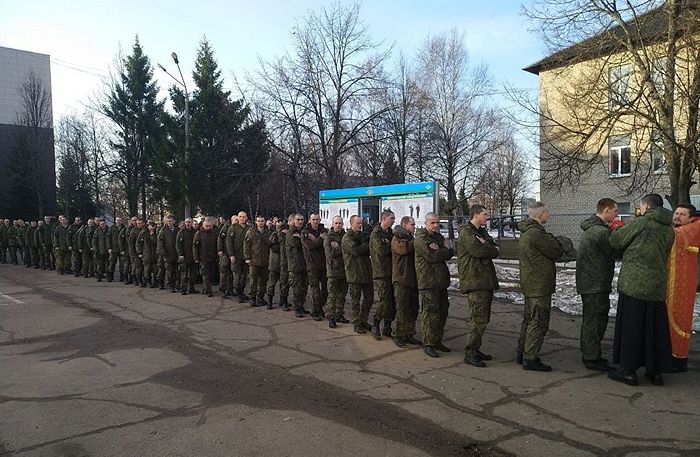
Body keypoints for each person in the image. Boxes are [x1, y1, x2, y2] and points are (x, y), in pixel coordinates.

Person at [608, 193, 675, 386]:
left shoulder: (643, 222)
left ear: (646, 206)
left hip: (635, 284)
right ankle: (655, 371)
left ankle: (627, 371)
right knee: (654, 329)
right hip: (656, 285)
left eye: (641, 206)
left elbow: (617, 240)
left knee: (633, 328)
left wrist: (615, 229)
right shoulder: (669, 229)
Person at [516, 203, 564, 372]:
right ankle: (530, 358)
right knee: (538, 322)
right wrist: (560, 242)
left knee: (529, 320)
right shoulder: (536, 234)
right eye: (547, 213)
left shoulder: (527, 232)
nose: (548, 216)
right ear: (541, 214)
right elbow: (556, 250)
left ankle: (522, 352)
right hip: (539, 285)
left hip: (531, 283)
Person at [575, 198, 620, 371]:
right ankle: (592, 357)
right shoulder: (600, 232)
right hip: (595, 282)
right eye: (615, 211)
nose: (616, 215)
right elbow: (615, 250)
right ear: (607, 210)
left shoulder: (594, 229)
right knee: (595, 320)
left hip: (590, 281)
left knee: (592, 319)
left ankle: (590, 353)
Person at [458, 205, 500, 368]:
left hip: (484, 280)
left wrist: (489, 247)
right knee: (478, 319)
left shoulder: (481, 232)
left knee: (484, 318)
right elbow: (479, 251)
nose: (487, 217)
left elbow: (492, 245)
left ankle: (475, 349)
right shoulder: (467, 233)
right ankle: (470, 352)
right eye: (485, 214)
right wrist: (490, 248)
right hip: (474, 280)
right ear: (476, 215)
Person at [665, 204, 700, 372]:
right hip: (664, 283)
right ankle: (664, 355)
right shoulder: (668, 230)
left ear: (691, 218)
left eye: (682, 214)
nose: (677, 216)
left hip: (684, 284)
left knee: (681, 319)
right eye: (676, 213)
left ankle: (679, 359)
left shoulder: (693, 230)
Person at [415, 212, 455, 358]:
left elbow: (450, 252)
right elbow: (432, 256)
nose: (436, 225)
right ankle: (429, 343)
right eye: (432, 222)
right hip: (428, 281)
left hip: (440, 280)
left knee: (443, 311)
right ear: (426, 222)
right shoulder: (420, 239)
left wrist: (443, 249)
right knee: (430, 313)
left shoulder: (438, 238)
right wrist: (443, 250)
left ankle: (437, 340)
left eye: (437, 222)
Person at [391, 216, 421, 348]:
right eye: (412, 225)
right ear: (405, 225)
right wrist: (415, 243)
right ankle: (398, 334)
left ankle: (409, 333)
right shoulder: (397, 237)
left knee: (413, 308)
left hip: (412, 278)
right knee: (402, 309)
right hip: (401, 278)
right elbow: (402, 249)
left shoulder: (411, 239)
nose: (414, 227)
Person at [342, 215, 373, 334]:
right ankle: (356, 322)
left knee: (369, 298)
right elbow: (356, 250)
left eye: (361, 223)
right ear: (351, 224)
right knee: (355, 300)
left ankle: (363, 319)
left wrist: (367, 242)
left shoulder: (363, 235)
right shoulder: (347, 237)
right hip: (354, 273)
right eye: (358, 223)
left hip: (366, 271)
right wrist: (367, 244)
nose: (360, 225)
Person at [370, 210, 396, 340]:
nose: (394, 220)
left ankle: (387, 326)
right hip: (381, 273)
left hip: (392, 272)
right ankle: (375, 323)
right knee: (384, 301)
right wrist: (393, 246)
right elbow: (381, 250)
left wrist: (390, 244)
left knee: (392, 302)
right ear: (384, 218)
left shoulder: (390, 233)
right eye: (392, 218)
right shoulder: (376, 234)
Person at [301, 213, 328, 321]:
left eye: (317, 219)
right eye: (313, 219)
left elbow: (328, 243)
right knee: (314, 289)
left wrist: (316, 239)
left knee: (326, 290)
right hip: (312, 264)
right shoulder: (305, 232)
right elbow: (309, 246)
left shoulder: (324, 231)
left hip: (323, 263)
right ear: (310, 220)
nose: (315, 221)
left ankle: (320, 307)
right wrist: (320, 239)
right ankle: (315, 311)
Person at [324, 215, 348, 328]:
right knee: (332, 296)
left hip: (345, 270)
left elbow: (350, 251)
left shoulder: (345, 235)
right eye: (336, 223)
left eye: (340, 223)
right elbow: (330, 254)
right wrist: (342, 249)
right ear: (332, 224)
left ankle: (339, 314)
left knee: (342, 295)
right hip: (333, 271)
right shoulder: (328, 237)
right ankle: (331, 317)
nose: (338, 225)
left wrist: (338, 247)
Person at [244, 215, 271, 306]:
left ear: (265, 221)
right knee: (253, 280)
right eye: (259, 221)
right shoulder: (251, 232)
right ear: (256, 222)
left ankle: (260, 297)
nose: (261, 223)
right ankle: (252, 297)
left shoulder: (268, 232)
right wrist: (247, 258)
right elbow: (246, 245)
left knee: (263, 281)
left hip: (265, 260)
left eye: (262, 221)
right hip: (254, 260)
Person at [287, 213, 309, 317]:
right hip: (295, 264)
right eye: (298, 220)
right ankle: (297, 307)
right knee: (297, 288)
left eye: (302, 220)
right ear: (294, 221)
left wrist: (301, 238)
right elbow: (296, 244)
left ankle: (301, 306)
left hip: (304, 264)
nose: (300, 222)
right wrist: (303, 239)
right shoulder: (290, 232)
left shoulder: (303, 232)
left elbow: (308, 244)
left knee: (304, 287)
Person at [227, 211, 250, 302]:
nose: (242, 218)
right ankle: (238, 293)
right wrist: (231, 255)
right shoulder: (233, 228)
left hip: (245, 256)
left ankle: (241, 292)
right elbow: (229, 242)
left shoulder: (249, 228)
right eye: (240, 217)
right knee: (237, 275)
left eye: (244, 217)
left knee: (244, 275)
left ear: (246, 218)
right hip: (236, 255)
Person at [193, 218, 218, 297]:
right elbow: (195, 246)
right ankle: (208, 290)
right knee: (205, 274)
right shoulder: (199, 234)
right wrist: (196, 258)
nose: (208, 228)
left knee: (211, 274)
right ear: (203, 226)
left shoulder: (214, 233)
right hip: (203, 257)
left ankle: (205, 288)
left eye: (209, 226)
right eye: (206, 226)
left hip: (212, 257)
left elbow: (216, 245)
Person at [158, 215, 179, 293]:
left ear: (174, 221)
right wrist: (163, 253)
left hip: (176, 253)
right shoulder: (163, 231)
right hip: (168, 254)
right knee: (169, 271)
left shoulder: (177, 230)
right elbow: (160, 243)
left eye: (170, 221)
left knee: (176, 270)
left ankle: (175, 283)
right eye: (168, 221)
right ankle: (171, 285)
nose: (169, 223)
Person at [177, 218, 197, 295]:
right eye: (186, 222)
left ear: (192, 223)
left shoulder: (195, 232)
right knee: (183, 274)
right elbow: (178, 245)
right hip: (184, 256)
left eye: (189, 222)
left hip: (193, 256)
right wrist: (180, 254)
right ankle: (183, 289)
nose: (188, 223)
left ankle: (192, 288)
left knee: (193, 274)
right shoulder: (181, 232)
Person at [217, 216, 232, 297]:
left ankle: (230, 289)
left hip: (232, 253)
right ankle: (223, 288)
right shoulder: (225, 228)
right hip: (225, 253)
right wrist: (220, 250)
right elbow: (220, 239)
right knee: (224, 270)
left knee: (231, 272)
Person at [107, 217, 124, 282]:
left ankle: (122, 277)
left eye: (120, 220)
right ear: (115, 221)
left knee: (122, 264)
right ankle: (110, 277)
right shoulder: (111, 228)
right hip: (113, 249)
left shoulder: (124, 228)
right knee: (112, 263)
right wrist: (109, 248)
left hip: (121, 249)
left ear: (121, 221)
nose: (118, 222)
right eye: (117, 220)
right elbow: (108, 239)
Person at [129, 218, 145, 286]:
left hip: (145, 252)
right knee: (138, 267)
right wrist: (133, 254)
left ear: (143, 223)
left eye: (140, 223)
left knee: (144, 268)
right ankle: (138, 280)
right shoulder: (134, 231)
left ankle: (142, 279)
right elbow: (131, 243)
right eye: (138, 223)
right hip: (135, 253)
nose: (139, 224)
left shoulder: (145, 230)